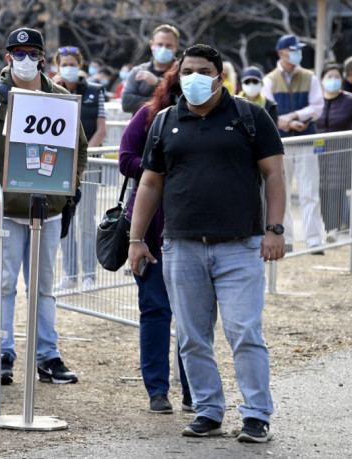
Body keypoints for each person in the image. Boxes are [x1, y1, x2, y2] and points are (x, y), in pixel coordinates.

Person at [129, 44, 285, 442]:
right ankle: (208, 409)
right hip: (181, 246)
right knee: (192, 336)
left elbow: (274, 175)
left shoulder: (250, 117)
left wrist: (275, 229)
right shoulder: (164, 121)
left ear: (219, 75)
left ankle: (256, 415)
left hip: (240, 245)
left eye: (201, 70)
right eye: (186, 71)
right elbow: (149, 182)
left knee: (244, 332)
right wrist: (135, 238)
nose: (192, 78)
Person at [0, 27, 88, 385]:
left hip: (48, 209)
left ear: (43, 58)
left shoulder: (62, 100)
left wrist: (67, 189)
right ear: (7, 58)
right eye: (19, 53)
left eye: (32, 53)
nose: (26, 60)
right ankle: (0, 352)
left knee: (43, 286)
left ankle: (48, 355)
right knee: (2, 285)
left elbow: (79, 152)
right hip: (2, 210)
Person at [119, 64, 192, 414]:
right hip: (150, 226)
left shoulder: (217, 119)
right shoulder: (149, 114)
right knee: (155, 311)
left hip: (195, 228)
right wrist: (158, 171)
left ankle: (195, 389)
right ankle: (157, 390)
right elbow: (125, 159)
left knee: (194, 317)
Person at [263, 34, 325, 253]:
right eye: (293, 50)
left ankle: (314, 240)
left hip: (306, 139)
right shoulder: (269, 79)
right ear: (282, 53)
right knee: (283, 191)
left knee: (310, 190)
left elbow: (317, 107)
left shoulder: (310, 77)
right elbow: (266, 110)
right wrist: (286, 122)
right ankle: (286, 238)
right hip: (280, 144)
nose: (297, 53)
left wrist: (293, 117)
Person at [52, 46, 106, 289]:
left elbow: (101, 129)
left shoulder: (95, 91)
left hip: (89, 166)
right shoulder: (52, 89)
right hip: (62, 165)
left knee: (86, 221)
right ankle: (70, 273)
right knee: (67, 220)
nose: (69, 68)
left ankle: (89, 274)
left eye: (73, 64)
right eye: (64, 64)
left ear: (80, 66)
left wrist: (84, 158)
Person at [315, 63, 352, 242]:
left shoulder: (350, 100)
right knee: (320, 190)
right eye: (329, 76)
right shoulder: (315, 99)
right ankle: (328, 225)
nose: (333, 80)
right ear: (322, 80)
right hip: (316, 151)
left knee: (335, 189)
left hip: (340, 150)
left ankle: (332, 227)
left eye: (336, 77)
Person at [121, 24, 180, 114]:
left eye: (168, 46)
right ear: (152, 45)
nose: (163, 49)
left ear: (176, 47)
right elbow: (127, 103)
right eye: (160, 44)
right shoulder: (138, 71)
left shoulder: (182, 72)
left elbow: (181, 102)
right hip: (142, 126)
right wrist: (164, 100)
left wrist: (158, 83)